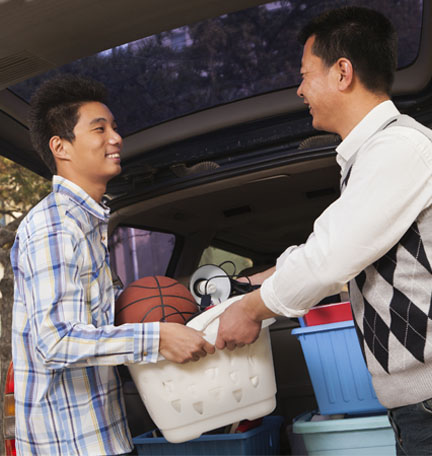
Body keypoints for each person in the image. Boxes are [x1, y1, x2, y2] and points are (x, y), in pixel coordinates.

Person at [215, 6, 432, 455]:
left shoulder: (399, 148)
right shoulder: (373, 156)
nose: (299, 90)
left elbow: (328, 259)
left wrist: (252, 309)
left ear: (342, 72)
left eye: (305, 74)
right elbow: (330, 248)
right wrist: (247, 283)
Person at [10, 74, 215, 456]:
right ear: (61, 147)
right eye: (99, 129)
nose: (116, 138)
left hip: (104, 434)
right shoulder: (53, 225)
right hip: (69, 444)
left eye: (115, 128)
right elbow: (54, 342)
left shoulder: (87, 224)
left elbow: (107, 314)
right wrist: (157, 338)